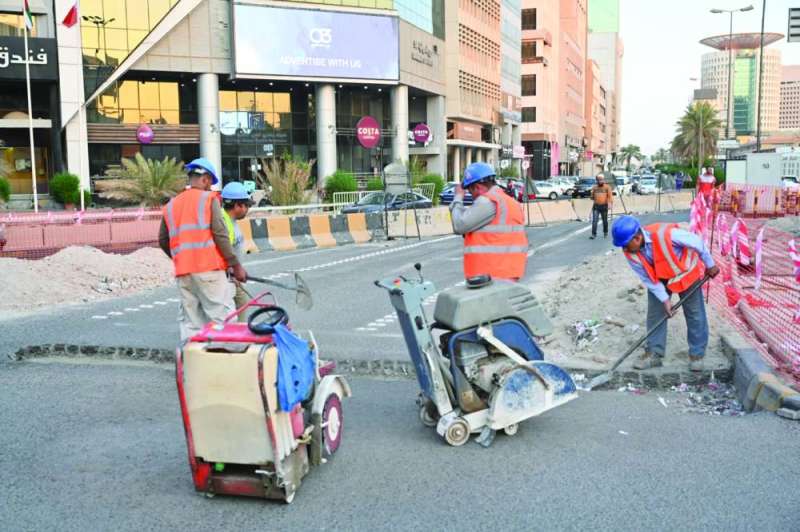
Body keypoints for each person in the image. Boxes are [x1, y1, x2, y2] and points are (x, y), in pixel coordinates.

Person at [611, 215, 720, 372]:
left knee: (695, 313)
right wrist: (665, 300)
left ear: (637, 238)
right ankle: (654, 353)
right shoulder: (630, 253)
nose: (624, 249)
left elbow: (697, 242)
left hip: (685, 273)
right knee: (656, 314)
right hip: (659, 279)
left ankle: (697, 355)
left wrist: (710, 264)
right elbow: (647, 278)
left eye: (626, 245)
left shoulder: (666, 234)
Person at [158, 158, 247, 341]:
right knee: (223, 319)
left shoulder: (171, 205)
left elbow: (163, 240)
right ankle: (225, 355)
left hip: (184, 272)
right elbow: (220, 235)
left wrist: (181, 257)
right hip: (209, 270)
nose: (210, 187)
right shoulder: (208, 199)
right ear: (205, 179)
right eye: (210, 183)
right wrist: (235, 265)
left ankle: (193, 357)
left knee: (192, 323)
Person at [450, 162, 528, 281]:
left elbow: (459, 225)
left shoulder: (488, 201)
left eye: (470, 192)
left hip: (490, 276)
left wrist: (458, 198)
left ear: (477, 187)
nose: (472, 196)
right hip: (508, 272)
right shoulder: (509, 202)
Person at [220, 181, 254, 321]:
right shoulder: (223, 222)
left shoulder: (230, 220)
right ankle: (236, 332)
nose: (248, 209)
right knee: (228, 314)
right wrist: (232, 270)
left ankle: (239, 329)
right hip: (227, 277)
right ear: (237, 205)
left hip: (235, 274)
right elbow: (223, 250)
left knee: (242, 302)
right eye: (247, 205)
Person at [589, 173, 613, 239]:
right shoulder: (594, 187)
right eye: (598, 180)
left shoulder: (607, 187)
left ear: (603, 180)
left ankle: (605, 232)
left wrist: (609, 204)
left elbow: (610, 196)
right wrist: (591, 195)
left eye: (601, 180)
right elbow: (592, 197)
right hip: (596, 206)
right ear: (597, 180)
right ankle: (593, 234)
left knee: (604, 220)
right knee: (594, 221)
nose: (600, 181)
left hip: (604, 206)